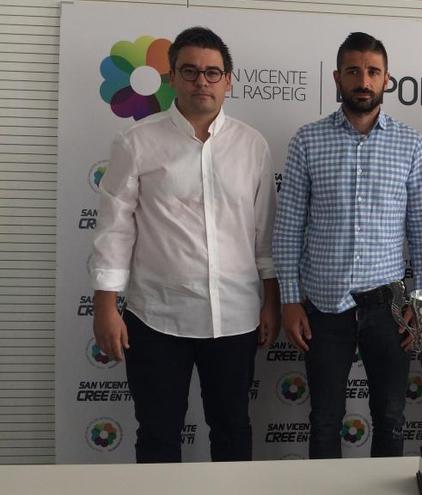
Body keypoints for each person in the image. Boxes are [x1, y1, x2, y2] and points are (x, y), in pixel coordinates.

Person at [91, 27, 279, 463]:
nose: (202, 82)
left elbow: (263, 233)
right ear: (171, 76)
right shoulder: (137, 143)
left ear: (229, 80)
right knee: (158, 435)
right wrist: (105, 305)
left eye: (213, 73)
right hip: (156, 318)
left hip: (234, 318)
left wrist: (270, 300)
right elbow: (115, 229)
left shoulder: (252, 146)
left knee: (233, 431)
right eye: (190, 71)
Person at [273, 32, 422, 459]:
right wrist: (289, 301)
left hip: (390, 308)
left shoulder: (411, 144)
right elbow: (288, 228)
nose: (364, 80)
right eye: (354, 71)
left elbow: (419, 231)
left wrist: (417, 304)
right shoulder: (307, 140)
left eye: (373, 72)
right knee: (324, 420)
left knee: (392, 417)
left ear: (387, 80)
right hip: (324, 307)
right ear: (337, 78)